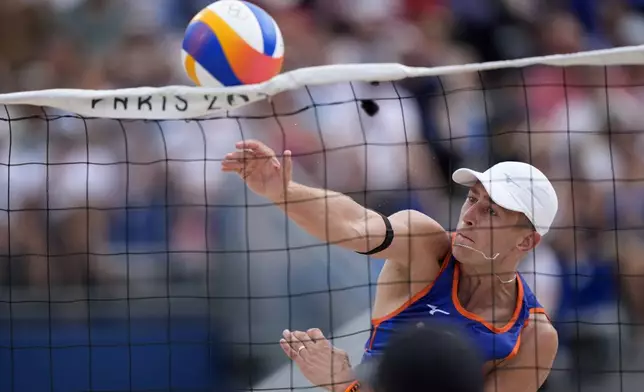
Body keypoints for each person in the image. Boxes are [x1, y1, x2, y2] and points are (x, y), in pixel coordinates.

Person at [221, 140, 559, 392]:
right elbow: (354, 223)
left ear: (526, 241)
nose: (469, 216)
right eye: (472, 199)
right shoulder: (426, 246)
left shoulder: (533, 336)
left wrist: (343, 384)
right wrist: (284, 192)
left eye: (492, 212)